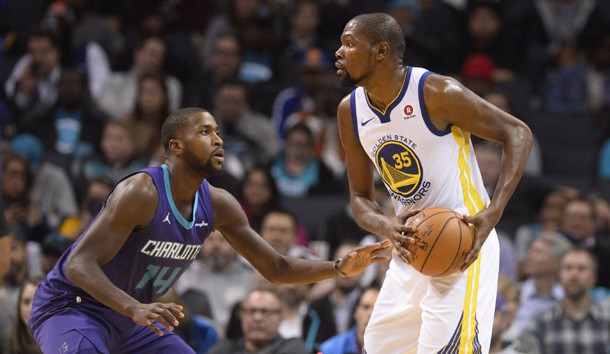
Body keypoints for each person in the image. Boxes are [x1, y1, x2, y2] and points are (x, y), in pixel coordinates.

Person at [29, 107, 392, 353]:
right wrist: (134, 308)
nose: (218, 140)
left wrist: (340, 267)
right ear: (175, 147)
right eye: (205, 132)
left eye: (218, 132)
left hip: (129, 318)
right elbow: (78, 265)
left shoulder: (219, 204)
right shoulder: (141, 192)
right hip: (74, 309)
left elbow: (276, 268)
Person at [334, 13, 532, 353]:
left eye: (350, 44)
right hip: (410, 250)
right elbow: (359, 197)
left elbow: (517, 133)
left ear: (381, 51)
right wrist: (387, 225)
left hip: (462, 245)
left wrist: (494, 211)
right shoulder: (349, 111)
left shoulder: (436, 92)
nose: (338, 52)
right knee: (378, 345)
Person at [509, 248, 610, 354]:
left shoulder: (607, 318)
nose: (574, 274)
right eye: (568, 268)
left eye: (581, 269)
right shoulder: (541, 322)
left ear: (593, 278)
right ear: (559, 275)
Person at [208, 288, 309, 354]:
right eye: (251, 311)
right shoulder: (224, 349)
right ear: (241, 316)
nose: (257, 318)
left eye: (265, 312)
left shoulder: (294, 347)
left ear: (280, 316)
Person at [319, 285, 380, 354]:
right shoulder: (330, 349)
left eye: (377, 309)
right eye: (366, 307)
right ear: (356, 312)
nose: (371, 314)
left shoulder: (393, 349)